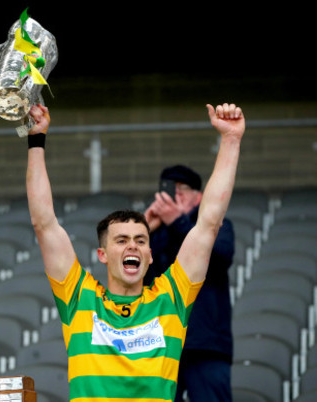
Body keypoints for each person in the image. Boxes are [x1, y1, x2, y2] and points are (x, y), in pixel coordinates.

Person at [25, 103, 245, 401]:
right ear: (102, 255)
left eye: (141, 241)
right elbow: (44, 224)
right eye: (121, 240)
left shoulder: (171, 299)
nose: (132, 246)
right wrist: (35, 140)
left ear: (150, 255)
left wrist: (231, 140)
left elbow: (208, 224)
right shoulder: (79, 298)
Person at [144, 164, 235, 402]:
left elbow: (221, 257)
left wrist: (178, 222)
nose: (177, 195)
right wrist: (142, 231)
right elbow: (131, 278)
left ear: (199, 196)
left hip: (205, 344)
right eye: (170, 189)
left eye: (182, 189)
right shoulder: (152, 232)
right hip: (160, 344)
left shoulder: (214, 225)